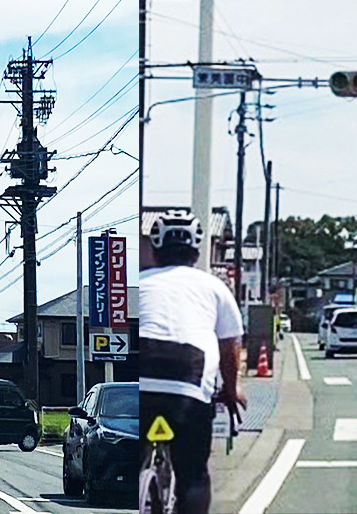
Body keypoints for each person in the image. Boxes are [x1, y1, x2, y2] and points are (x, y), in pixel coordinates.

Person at [140, 210, 246, 514]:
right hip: (189, 375)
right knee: (193, 475)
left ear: (156, 249)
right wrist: (232, 388)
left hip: (143, 372)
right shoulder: (214, 287)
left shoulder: (143, 281)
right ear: (197, 252)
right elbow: (230, 346)